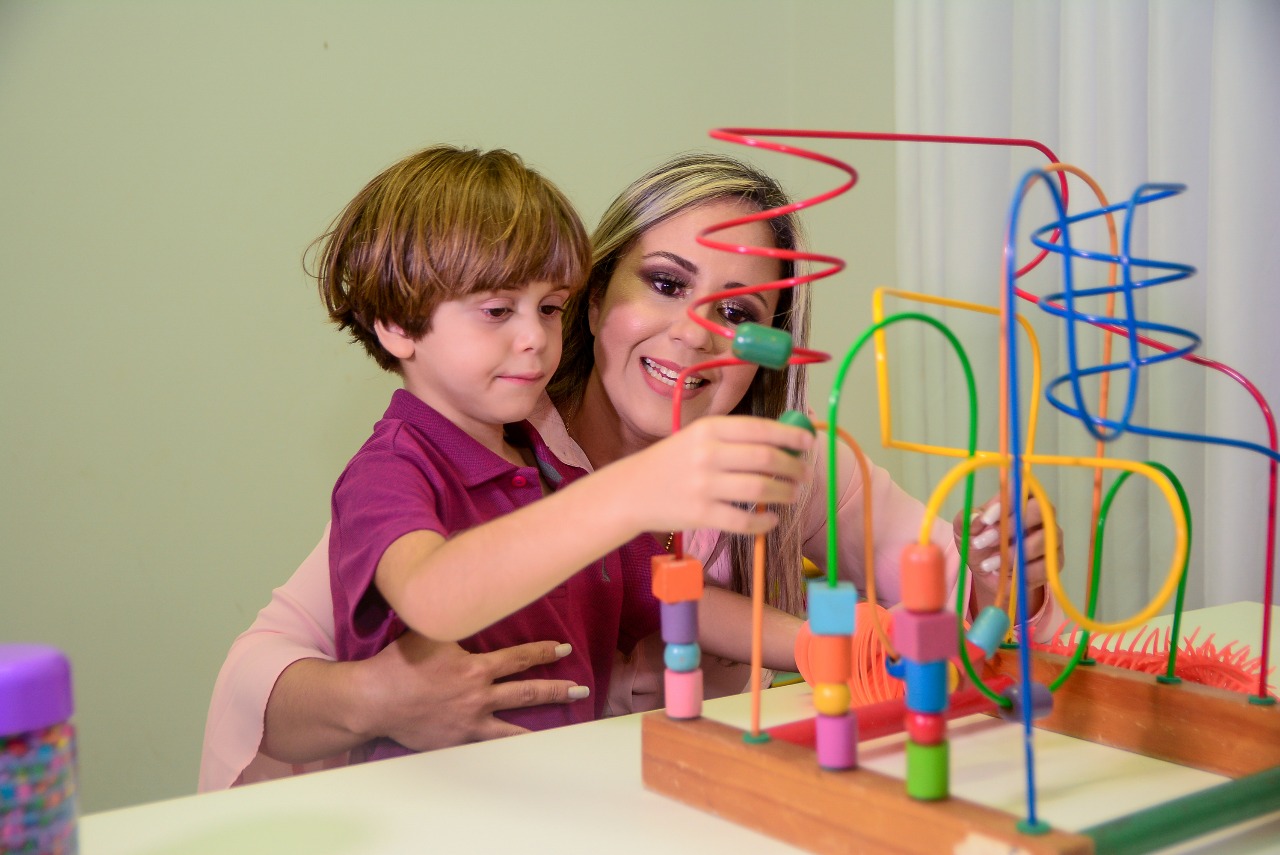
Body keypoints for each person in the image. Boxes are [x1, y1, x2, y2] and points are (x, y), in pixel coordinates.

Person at [200, 151, 1060, 791]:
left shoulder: (784, 464)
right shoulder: (481, 453)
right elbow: (275, 664)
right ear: (597, 288)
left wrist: (988, 587)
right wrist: (379, 698)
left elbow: (959, 600)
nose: (694, 333)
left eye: (737, 311)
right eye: (664, 281)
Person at [307, 145, 813, 765]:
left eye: (550, 309)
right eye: (497, 311)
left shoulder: (553, 470)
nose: (536, 339)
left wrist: (822, 642)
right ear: (398, 326)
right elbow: (433, 596)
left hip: (552, 794)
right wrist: (625, 494)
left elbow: (669, 593)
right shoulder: (391, 470)